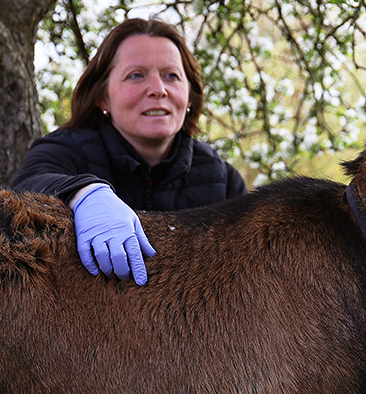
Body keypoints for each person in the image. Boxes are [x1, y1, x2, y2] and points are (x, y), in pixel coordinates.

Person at [12, 17, 247, 285]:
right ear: (102, 97)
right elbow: (26, 184)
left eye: (171, 76)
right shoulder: (66, 149)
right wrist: (85, 193)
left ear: (190, 97)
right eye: (136, 75)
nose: (158, 90)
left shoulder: (224, 181)